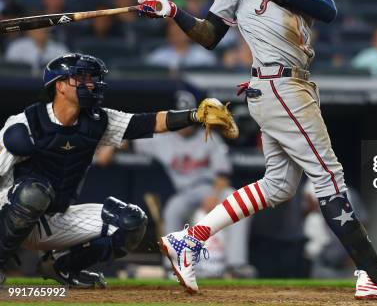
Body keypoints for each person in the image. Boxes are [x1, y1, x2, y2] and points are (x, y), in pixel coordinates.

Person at [138, 0, 377, 299]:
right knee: (330, 179)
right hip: (279, 84)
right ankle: (373, 275)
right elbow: (208, 36)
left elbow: (327, 10)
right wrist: (173, 12)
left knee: (279, 186)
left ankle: (191, 238)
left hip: (291, 83)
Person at [0, 53, 234, 287]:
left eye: (92, 78)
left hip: (54, 219)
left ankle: (61, 268)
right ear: (60, 85)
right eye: (81, 78)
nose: (90, 84)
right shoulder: (25, 123)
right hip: (10, 212)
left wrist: (194, 115)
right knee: (33, 193)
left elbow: (150, 122)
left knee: (131, 222)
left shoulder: (97, 121)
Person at [132, 90, 251, 278]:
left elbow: (223, 173)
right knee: (172, 210)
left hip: (213, 189)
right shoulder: (161, 139)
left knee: (239, 202)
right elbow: (130, 140)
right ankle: (172, 267)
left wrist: (213, 194)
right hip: (186, 193)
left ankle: (236, 265)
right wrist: (110, 148)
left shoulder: (209, 136)